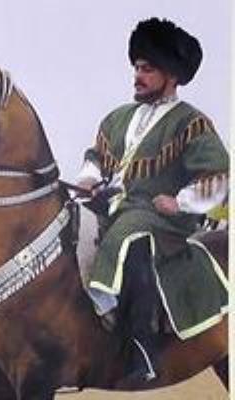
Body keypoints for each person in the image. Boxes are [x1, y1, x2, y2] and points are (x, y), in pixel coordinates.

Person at [77, 17, 229, 384]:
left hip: (166, 219)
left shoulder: (191, 123)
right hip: (115, 207)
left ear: (171, 75)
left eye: (147, 69)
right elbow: (96, 157)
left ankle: (142, 349)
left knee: (133, 235)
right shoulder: (117, 119)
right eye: (136, 68)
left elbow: (218, 174)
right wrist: (89, 179)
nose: (137, 76)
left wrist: (181, 202)